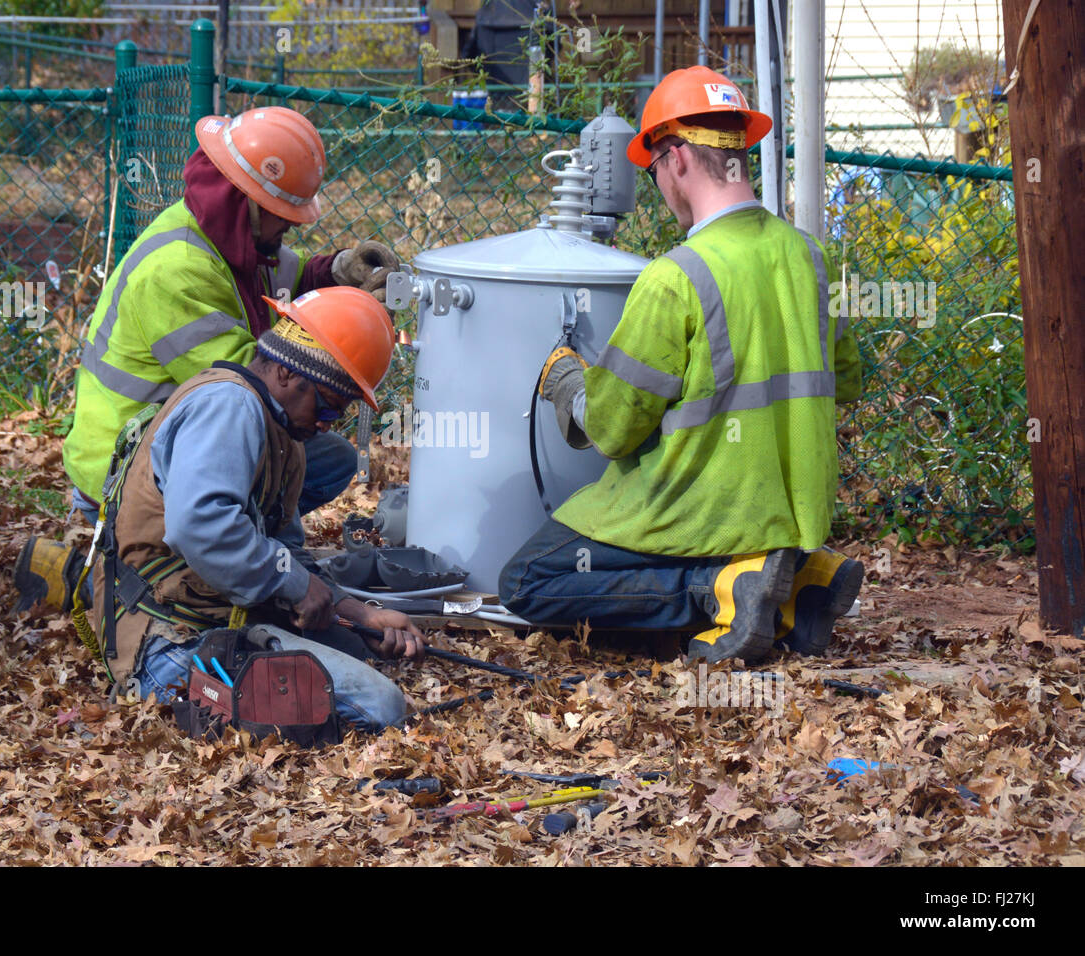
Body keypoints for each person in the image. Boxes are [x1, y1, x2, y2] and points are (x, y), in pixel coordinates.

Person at [499, 66, 865, 664]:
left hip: (697, 515)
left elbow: (613, 430)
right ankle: (800, 582)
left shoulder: (677, 277)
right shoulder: (810, 258)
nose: (659, 186)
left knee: (526, 580)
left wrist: (567, 380)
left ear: (677, 159)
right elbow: (842, 382)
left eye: (654, 170)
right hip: (788, 512)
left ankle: (715, 588)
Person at [15, 106, 400, 612]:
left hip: (166, 440)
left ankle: (225, 551)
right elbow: (253, 383)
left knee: (323, 457)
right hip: (122, 466)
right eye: (282, 218)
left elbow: (288, 278)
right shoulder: (178, 270)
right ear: (248, 205)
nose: (288, 231)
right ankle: (127, 572)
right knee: (304, 449)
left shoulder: (230, 240)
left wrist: (338, 272)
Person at [86, 286, 424, 731]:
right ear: (286, 372)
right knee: (379, 706)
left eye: (336, 415)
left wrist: (359, 614)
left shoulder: (283, 433)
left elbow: (286, 556)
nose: (326, 424)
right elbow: (201, 527)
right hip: (167, 638)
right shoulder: (227, 406)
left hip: (216, 613)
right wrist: (297, 587)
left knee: (356, 651)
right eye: (327, 406)